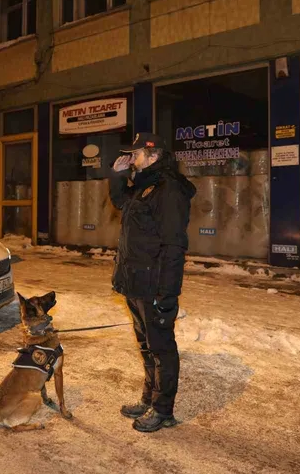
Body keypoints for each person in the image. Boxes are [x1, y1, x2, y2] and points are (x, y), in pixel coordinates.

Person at [110, 133, 195, 433]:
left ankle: (163, 410)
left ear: (153, 156)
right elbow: (121, 202)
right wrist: (118, 176)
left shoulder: (169, 189)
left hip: (154, 285)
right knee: (146, 346)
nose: (131, 159)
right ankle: (149, 399)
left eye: (135, 155)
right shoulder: (145, 185)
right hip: (135, 282)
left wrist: (167, 293)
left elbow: (174, 245)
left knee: (161, 348)